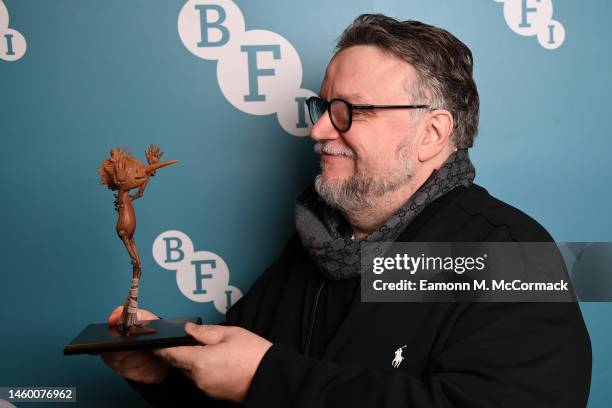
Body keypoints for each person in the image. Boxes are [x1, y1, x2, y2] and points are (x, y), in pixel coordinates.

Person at [101, 14, 591, 407]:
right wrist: (164, 379)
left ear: (432, 134)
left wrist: (271, 379)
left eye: (350, 112)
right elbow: (235, 389)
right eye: (323, 108)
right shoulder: (311, 245)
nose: (317, 132)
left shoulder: (512, 256)